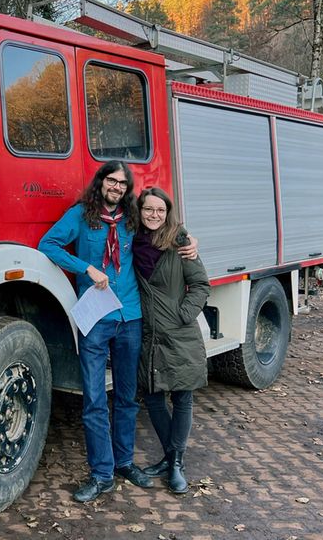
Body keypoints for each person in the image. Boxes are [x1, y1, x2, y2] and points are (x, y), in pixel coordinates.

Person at [38, 162, 197, 503]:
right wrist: (86, 268)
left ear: (127, 189)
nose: (116, 187)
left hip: (131, 317)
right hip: (95, 318)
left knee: (126, 398)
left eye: (123, 183)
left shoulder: (132, 219)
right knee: (94, 399)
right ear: (101, 182)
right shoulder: (81, 215)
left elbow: (163, 224)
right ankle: (101, 474)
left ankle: (124, 462)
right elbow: (47, 244)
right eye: (111, 180)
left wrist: (190, 241)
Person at [132, 187, 210, 494]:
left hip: (179, 333)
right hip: (148, 334)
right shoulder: (132, 242)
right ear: (139, 212)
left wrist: (183, 314)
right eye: (148, 209)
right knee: (152, 397)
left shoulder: (180, 241)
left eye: (160, 210)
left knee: (181, 397)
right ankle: (170, 457)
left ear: (168, 213)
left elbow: (201, 285)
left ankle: (175, 462)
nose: (154, 215)